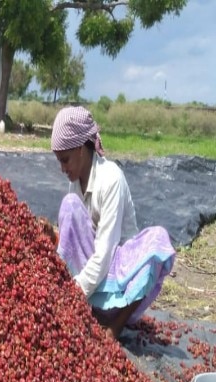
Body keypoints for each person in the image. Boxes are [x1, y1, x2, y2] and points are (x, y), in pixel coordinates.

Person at [50, 106, 175, 339]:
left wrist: (71, 293)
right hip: (94, 279)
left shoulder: (111, 179)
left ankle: (115, 326)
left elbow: (106, 252)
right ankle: (90, 310)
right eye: (59, 161)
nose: (62, 168)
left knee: (157, 240)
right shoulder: (75, 184)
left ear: (80, 149)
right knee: (68, 205)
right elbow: (78, 239)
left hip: (120, 273)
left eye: (65, 160)